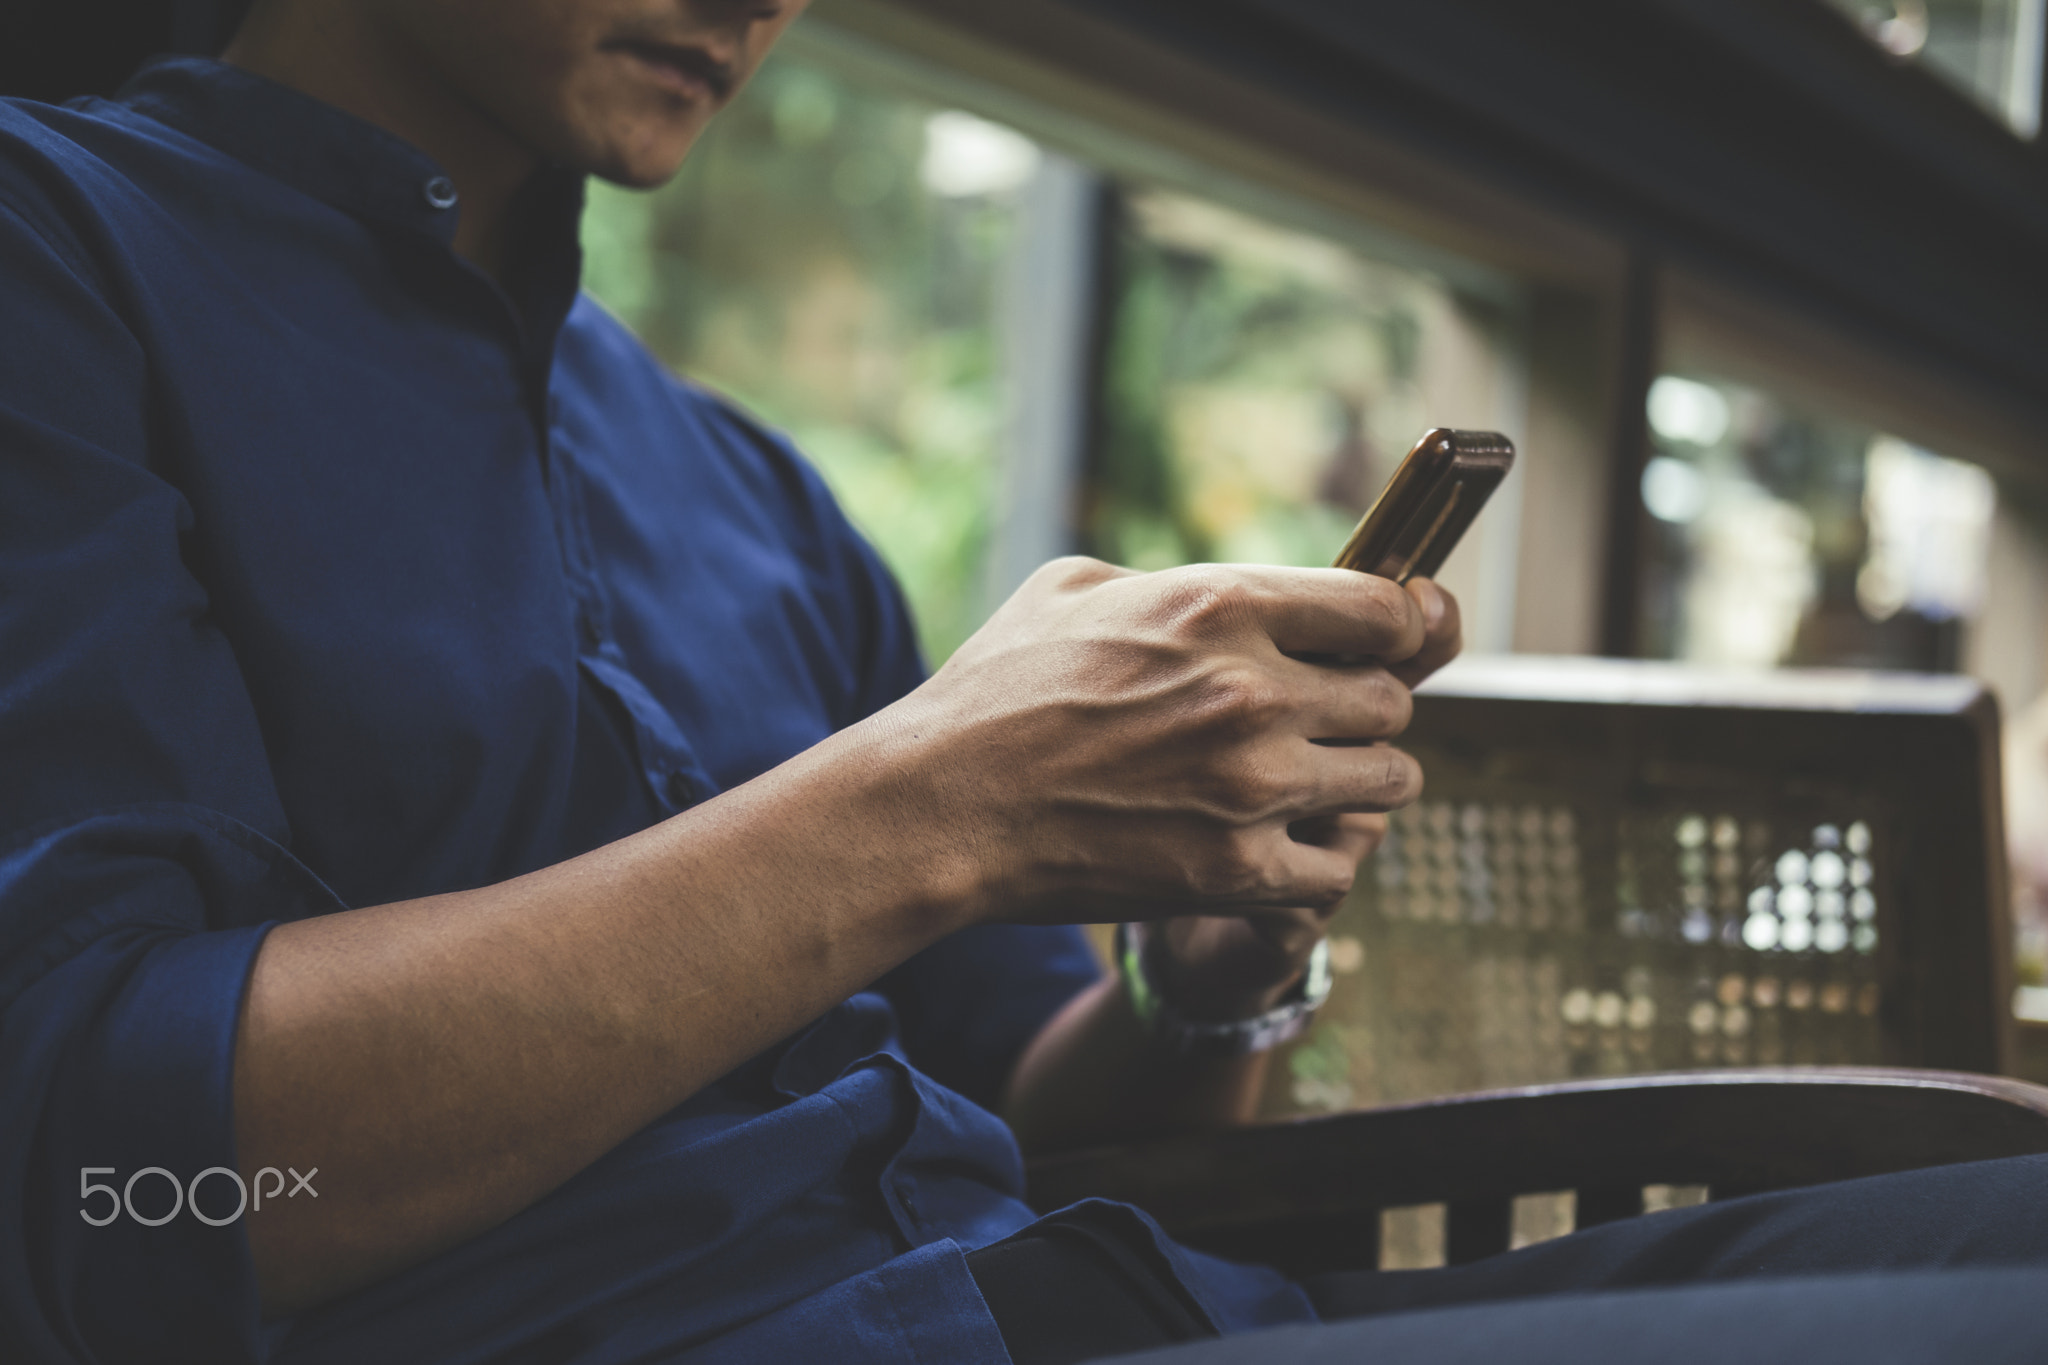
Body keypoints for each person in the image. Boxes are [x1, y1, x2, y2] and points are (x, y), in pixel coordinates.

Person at [0, 4, 2041, 1364]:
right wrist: (931, 802)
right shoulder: (59, 256)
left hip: (1133, 1292)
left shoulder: (743, 488)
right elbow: (101, 1179)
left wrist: (1204, 962)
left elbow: (1043, 1124)